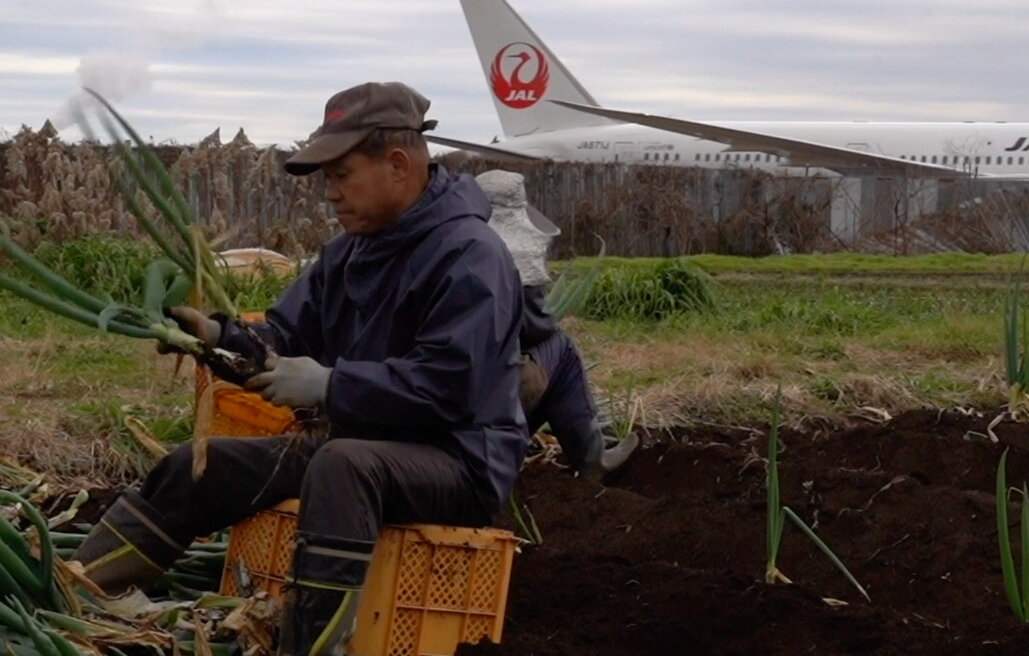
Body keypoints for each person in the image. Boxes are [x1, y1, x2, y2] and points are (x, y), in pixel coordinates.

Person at [73, 82, 528, 655]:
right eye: (326, 180)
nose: (330, 195)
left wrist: (332, 384)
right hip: (364, 445)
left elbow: (451, 387)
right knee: (198, 465)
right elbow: (281, 338)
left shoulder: (470, 254)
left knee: (341, 465)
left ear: (397, 164)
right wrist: (216, 337)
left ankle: (310, 647)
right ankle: (78, 602)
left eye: (341, 175)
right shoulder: (349, 254)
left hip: (458, 462)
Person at [474, 170, 638, 476]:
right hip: (474, 402)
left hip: (426, 396)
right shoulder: (509, 254)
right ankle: (594, 461)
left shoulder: (447, 242)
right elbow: (535, 328)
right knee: (561, 349)